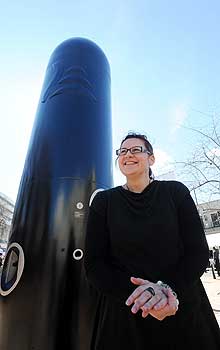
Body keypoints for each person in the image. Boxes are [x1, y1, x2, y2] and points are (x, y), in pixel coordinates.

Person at [84, 132, 220, 349]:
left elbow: (197, 253)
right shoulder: (104, 202)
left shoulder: (176, 192)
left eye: (136, 149)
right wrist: (143, 297)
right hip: (125, 313)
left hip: (181, 306)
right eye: (123, 151)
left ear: (151, 158)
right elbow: (94, 264)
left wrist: (166, 289)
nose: (128, 154)